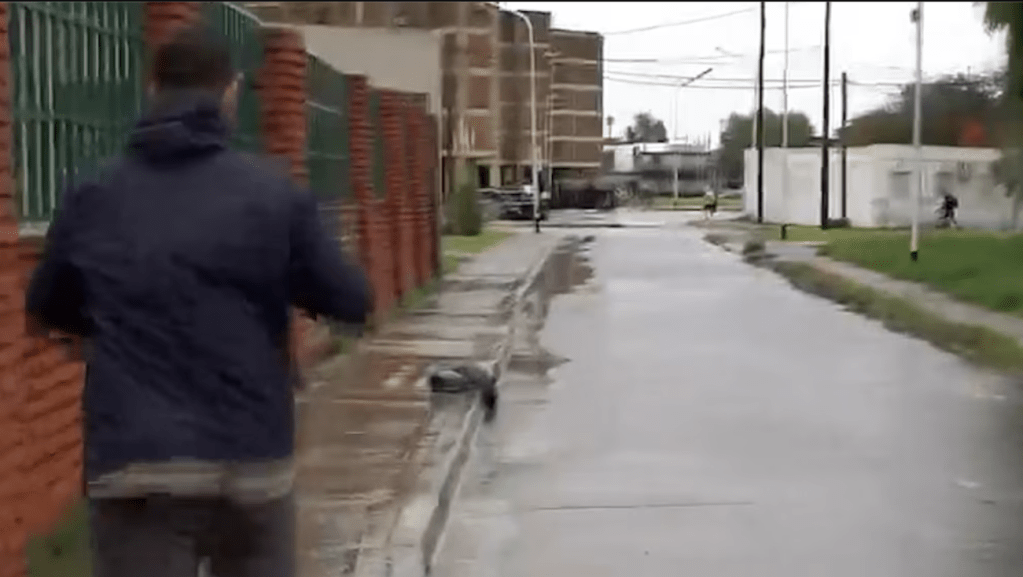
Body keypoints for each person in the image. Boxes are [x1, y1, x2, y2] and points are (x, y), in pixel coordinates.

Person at [24, 25, 371, 577]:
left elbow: (46, 304)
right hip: (249, 455)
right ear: (230, 92)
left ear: (152, 87)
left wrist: (102, 325)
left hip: (135, 461)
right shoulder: (273, 196)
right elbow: (350, 299)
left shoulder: (92, 197)